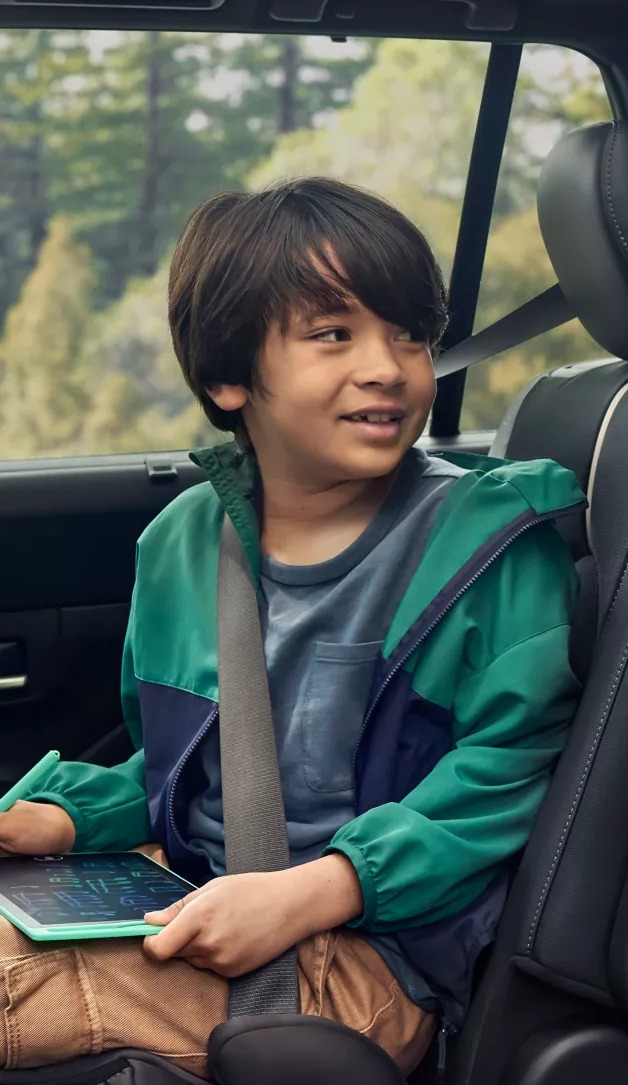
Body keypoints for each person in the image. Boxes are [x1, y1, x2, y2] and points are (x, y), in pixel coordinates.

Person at [0, 178, 585, 1076]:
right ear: (229, 377)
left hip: (373, 953)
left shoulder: (490, 546)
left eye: (410, 336)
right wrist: (65, 820)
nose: (388, 366)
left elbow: (508, 776)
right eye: (332, 335)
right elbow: (186, 768)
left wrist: (316, 891)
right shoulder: (184, 543)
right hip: (188, 883)